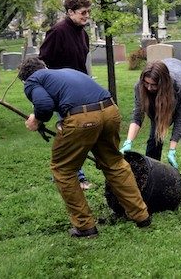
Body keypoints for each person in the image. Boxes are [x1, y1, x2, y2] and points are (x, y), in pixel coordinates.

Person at [18, 57, 150, 238]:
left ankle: (85, 226)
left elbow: (44, 105)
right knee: (114, 163)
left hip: (83, 118)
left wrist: (37, 119)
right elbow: (72, 95)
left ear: (25, 79)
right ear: (45, 67)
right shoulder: (63, 71)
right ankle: (141, 215)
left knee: (63, 169)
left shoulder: (32, 80)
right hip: (110, 110)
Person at [120, 58, 181, 199]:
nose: (148, 88)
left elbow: (180, 119)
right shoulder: (141, 87)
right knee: (155, 136)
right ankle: (150, 183)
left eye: (152, 85)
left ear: (162, 83)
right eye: (146, 83)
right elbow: (137, 115)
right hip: (166, 86)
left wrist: (172, 149)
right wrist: (128, 142)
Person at [39, 0, 92, 189]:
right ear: (70, 12)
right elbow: (43, 61)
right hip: (63, 91)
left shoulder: (83, 34)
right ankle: (77, 177)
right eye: (83, 12)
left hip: (80, 88)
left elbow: (81, 64)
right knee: (73, 132)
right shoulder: (57, 32)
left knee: (73, 132)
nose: (86, 16)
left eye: (88, 12)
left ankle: (62, 171)